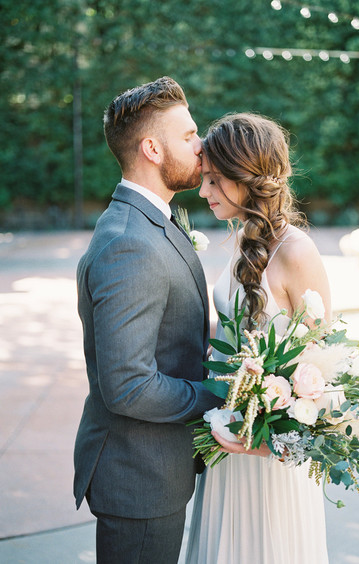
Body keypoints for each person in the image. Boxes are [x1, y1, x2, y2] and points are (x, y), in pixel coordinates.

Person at [73, 76, 222, 564]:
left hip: (155, 467)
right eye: (189, 135)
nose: (201, 145)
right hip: (139, 478)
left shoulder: (148, 219)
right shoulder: (129, 243)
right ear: (152, 149)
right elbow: (129, 386)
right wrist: (222, 396)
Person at [185, 113, 331, 563]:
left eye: (214, 180)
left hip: (270, 458)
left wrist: (266, 441)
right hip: (226, 442)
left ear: (247, 177)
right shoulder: (242, 242)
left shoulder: (296, 251)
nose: (204, 191)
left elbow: (325, 369)